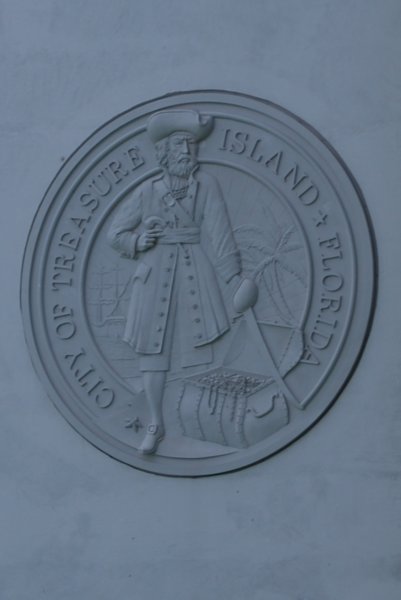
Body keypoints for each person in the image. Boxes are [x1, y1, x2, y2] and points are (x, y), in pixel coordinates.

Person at [108, 109, 255, 454]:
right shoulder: (147, 191)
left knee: (201, 350)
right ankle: (156, 423)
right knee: (152, 352)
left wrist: (234, 280)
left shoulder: (207, 185)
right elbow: (115, 233)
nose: (187, 152)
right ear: (163, 151)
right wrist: (137, 241)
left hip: (195, 273)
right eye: (179, 145)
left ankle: (199, 417)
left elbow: (220, 234)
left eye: (190, 144)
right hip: (153, 276)